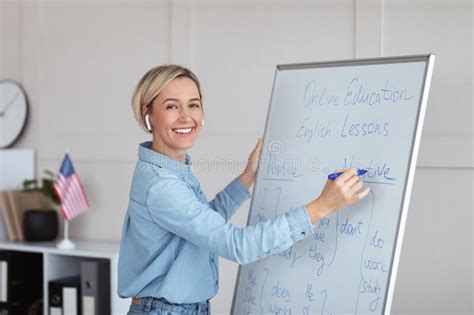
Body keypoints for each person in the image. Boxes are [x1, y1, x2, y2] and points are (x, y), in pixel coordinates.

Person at [118, 65, 370, 315]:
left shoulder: (170, 168)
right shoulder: (162, 184)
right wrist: (321, 207)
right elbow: (238, 245)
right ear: (148, 113)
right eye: (172, 106)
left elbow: (203, 222)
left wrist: (248, 177)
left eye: (193, 104)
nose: (186, 116)